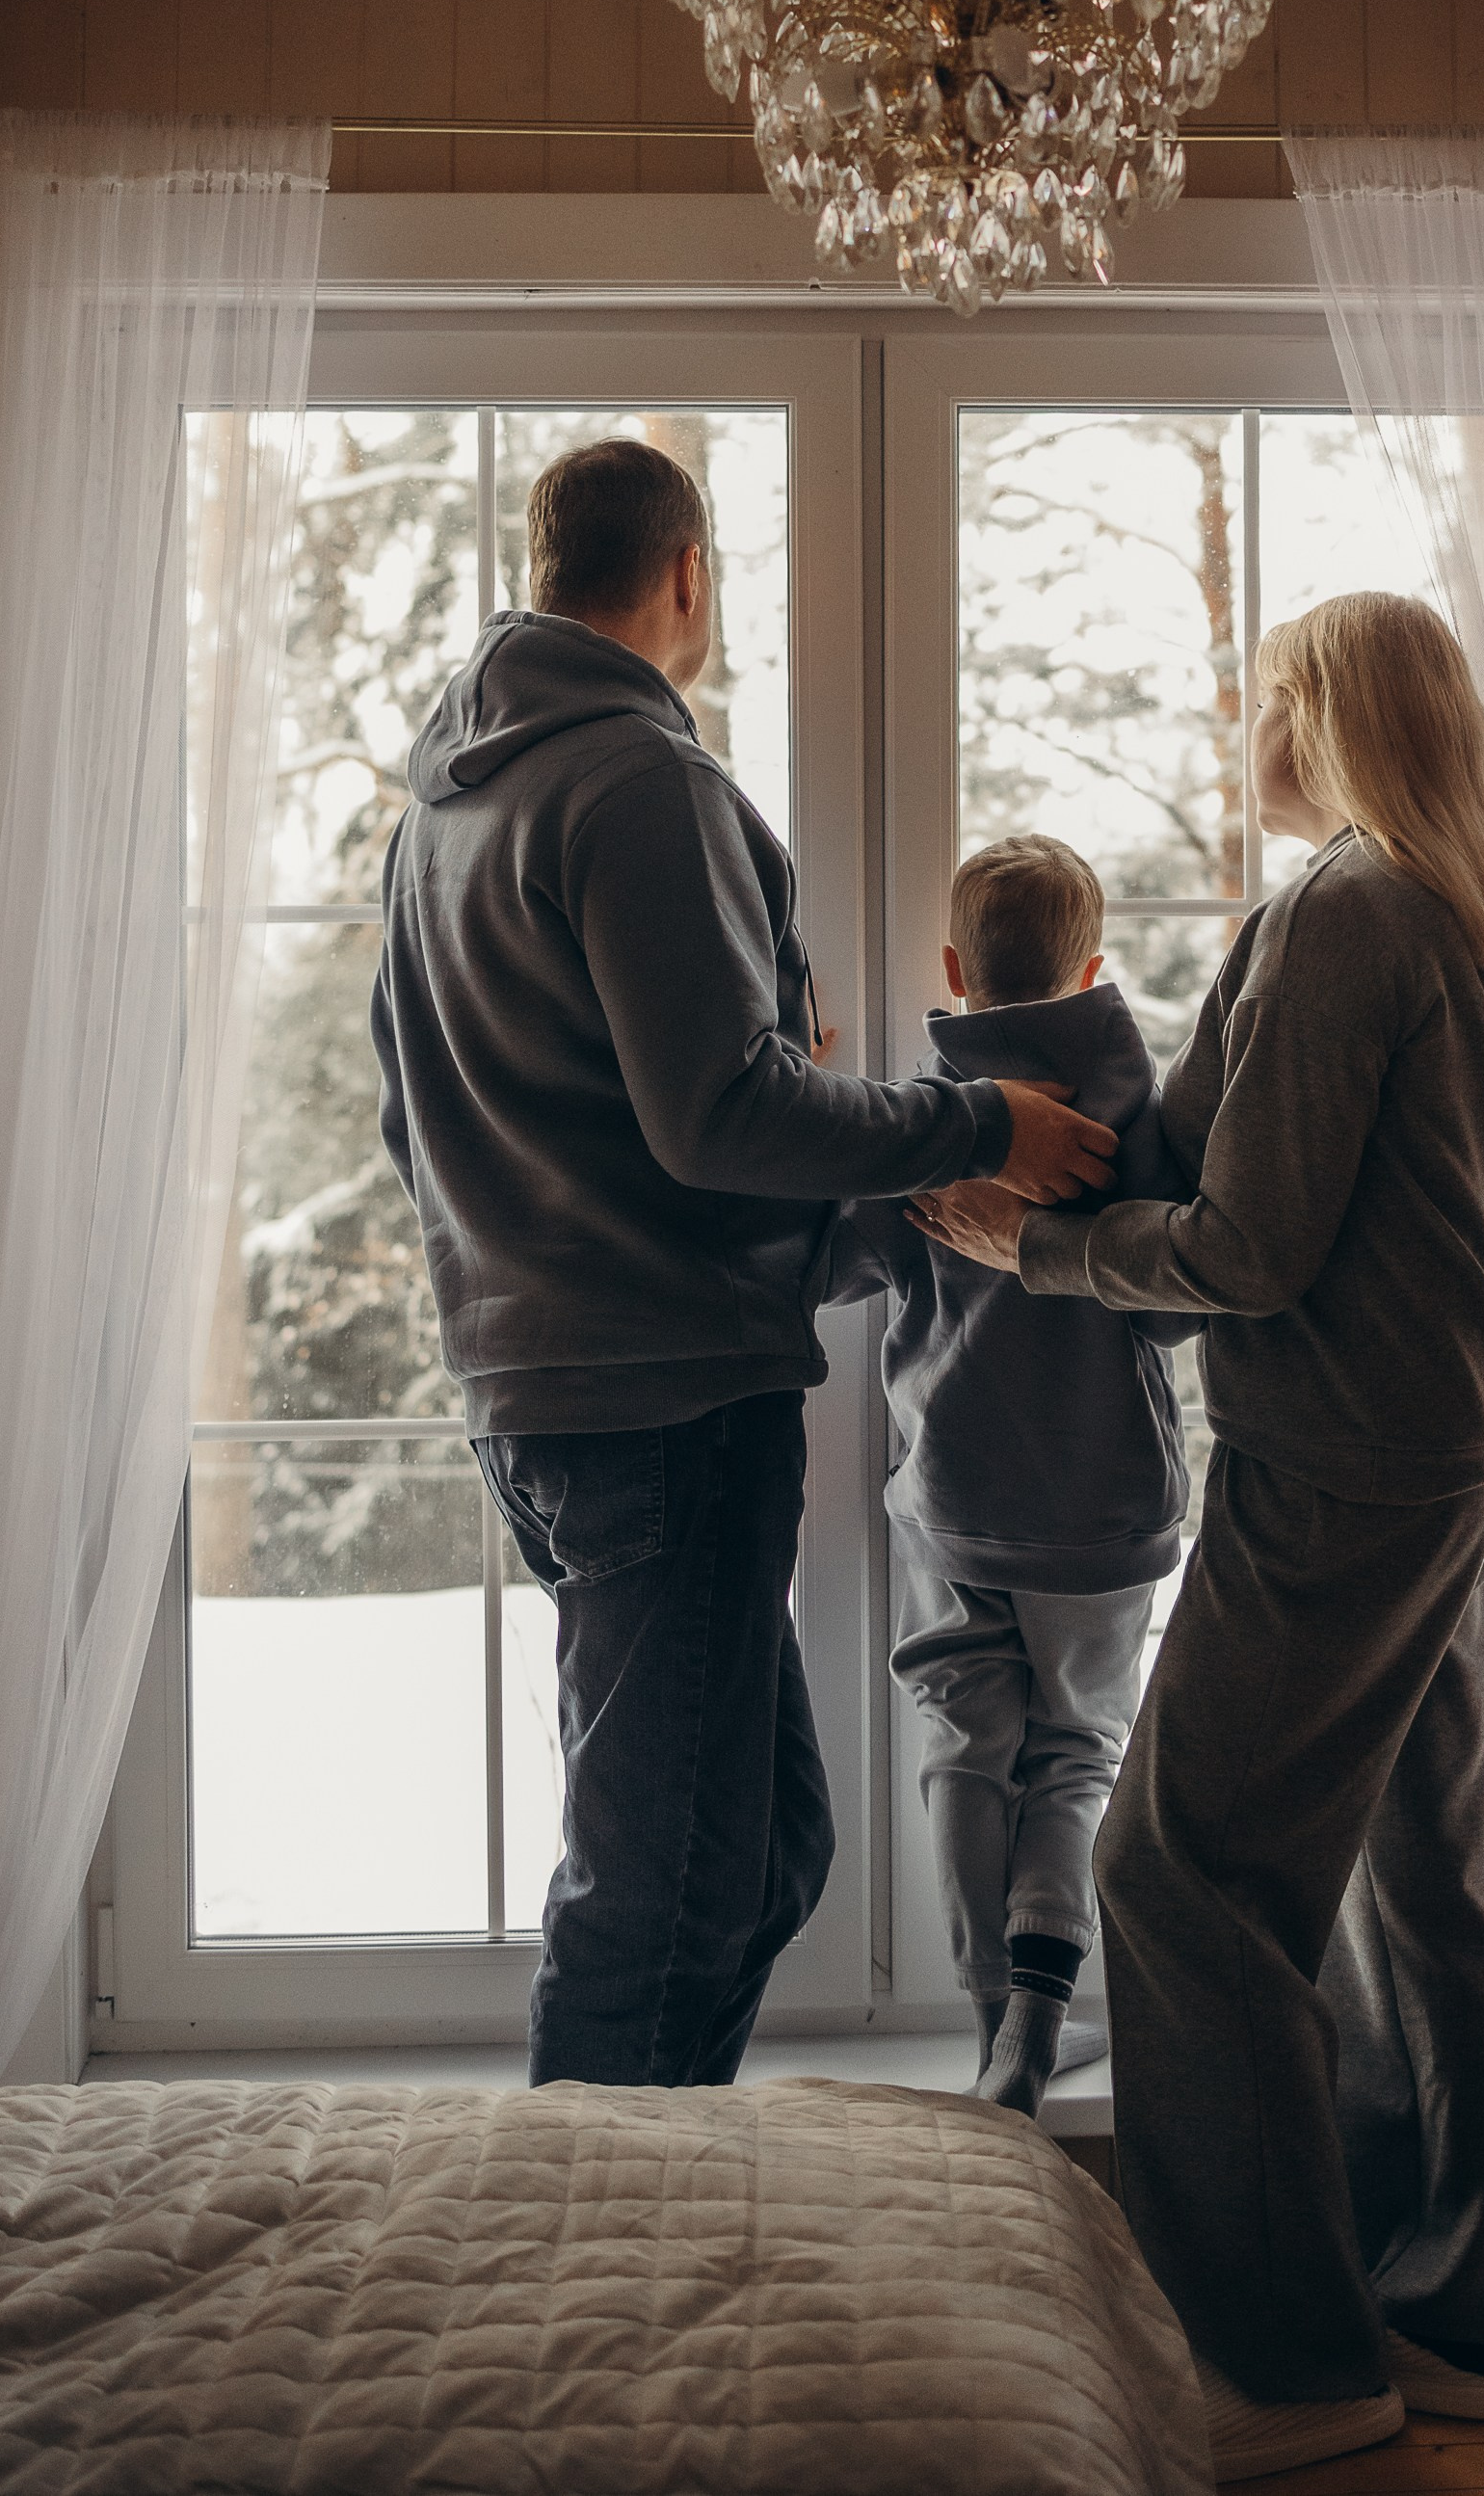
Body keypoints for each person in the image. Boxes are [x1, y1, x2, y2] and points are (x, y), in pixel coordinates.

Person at [911, 591, 1484, 2481]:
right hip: (1452, 1445)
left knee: (1174, 1872)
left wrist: (1020, 1242)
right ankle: (1459, 2311)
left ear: (1328, 716)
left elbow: (1247, 1251)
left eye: (1265, 693)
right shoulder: (1439, 909)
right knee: (1418, 1863)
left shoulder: (1348, 910)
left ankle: (1288, 2363)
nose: (1239, 721)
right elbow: (1237, 1157)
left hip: (1349, 1464)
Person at [371, 438, 1116, 2092]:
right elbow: (716, 1118)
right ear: (689, 574)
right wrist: (969, 1120)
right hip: (663, 1407)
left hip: (541, 1390)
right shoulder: (642, 784)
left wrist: (779, 1100)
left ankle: (650, 2199)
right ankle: (589, 2270)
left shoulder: (444, 810)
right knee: (659, 1880)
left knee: (761, 1848)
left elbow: (413, 1118)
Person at [828, 835, 1193, 2118]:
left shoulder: (930, 1111)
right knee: (1076, 1756)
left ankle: (990, 2017)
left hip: (957, 1497)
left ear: (951, 968)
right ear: (1089, 965)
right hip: (1101, 1511)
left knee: (964, 1746)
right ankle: (1040, 2024)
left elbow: (842, 1263)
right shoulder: (1134, 1110)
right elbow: (1169, 1310)